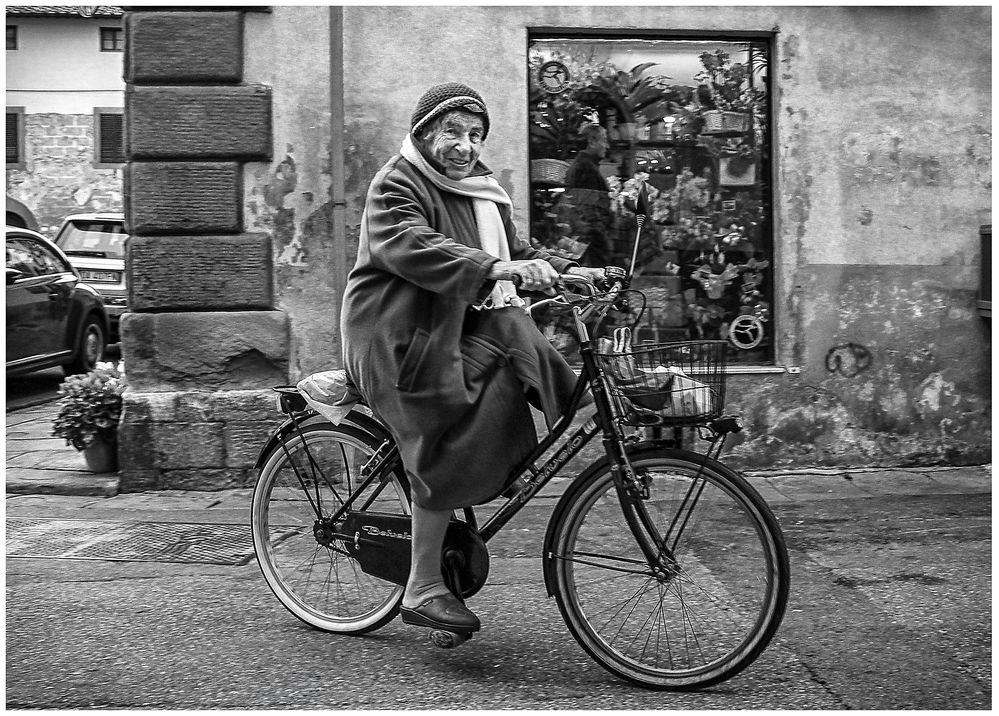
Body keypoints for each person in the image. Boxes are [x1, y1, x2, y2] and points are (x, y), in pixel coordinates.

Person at [340, 82, 604, 634]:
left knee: (509, 330)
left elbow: (519, 253)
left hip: (452, 326)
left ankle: (576, 408)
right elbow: (413, 244)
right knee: (441, 429)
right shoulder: (396, 184)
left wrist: (570, 272)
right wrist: (495, 269)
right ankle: (422, 585)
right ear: (424, 134)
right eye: (453, 133)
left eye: (475, 135)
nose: (465, 146)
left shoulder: (480, 192)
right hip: (397, 336)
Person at [563, 122, 614, 267]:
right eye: (604, 140)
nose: (607, 146)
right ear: (592, 142)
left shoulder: (584, 165)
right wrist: (603, 238)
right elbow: (588, 210)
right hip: (591, 243)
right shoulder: (586, 168)